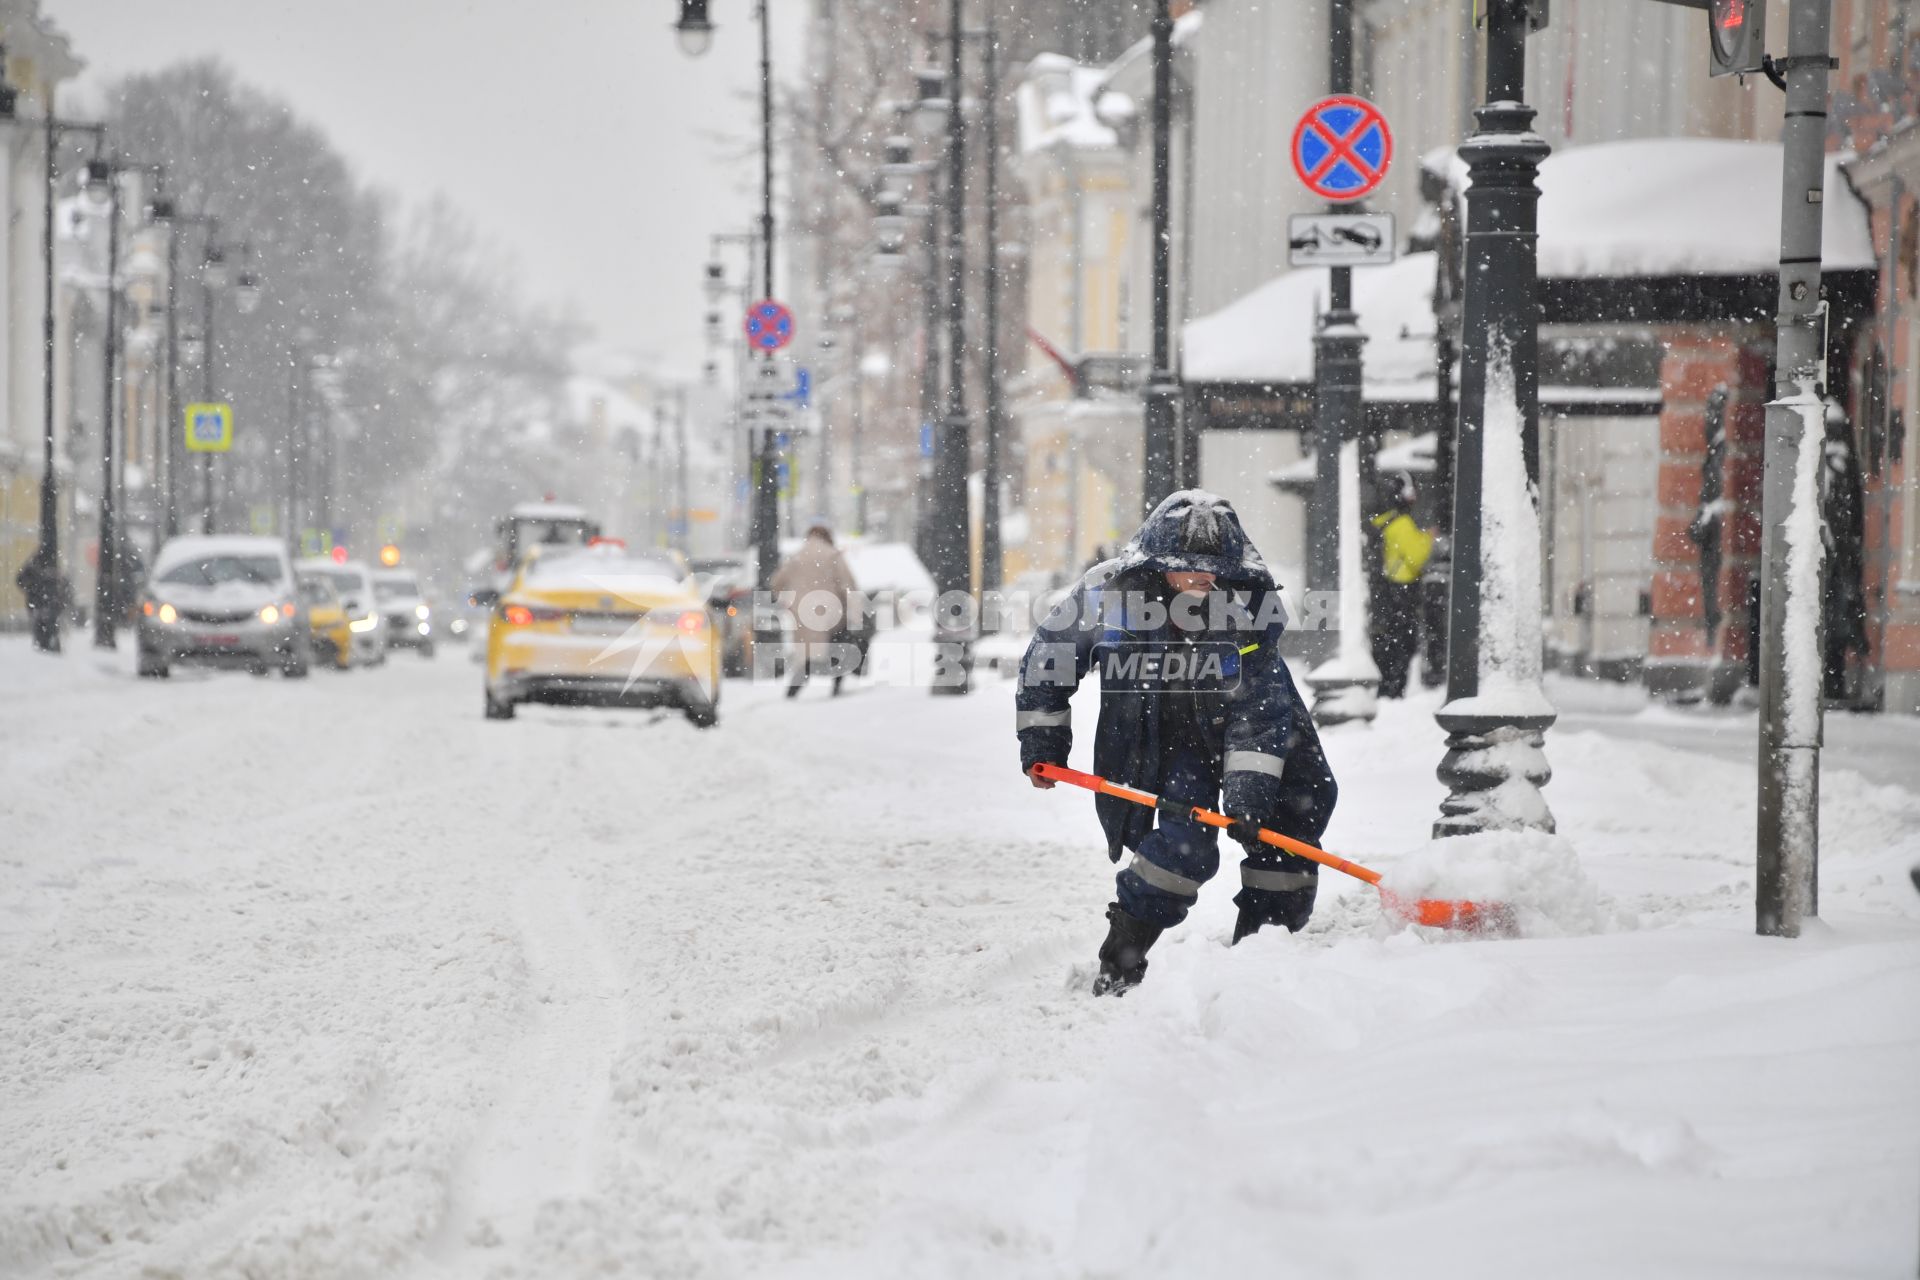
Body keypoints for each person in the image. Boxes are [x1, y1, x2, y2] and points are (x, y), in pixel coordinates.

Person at [1016, 491, 1339, 996]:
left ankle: (1260, 960)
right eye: (1189, 568)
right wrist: (1042, 741)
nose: (1203, 578)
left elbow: (1258, 711)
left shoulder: (1245, 605)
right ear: (1158, 563)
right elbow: (1048, 661)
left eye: (1214, 568)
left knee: (1287, 831)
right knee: (1181, 849)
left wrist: (1249, 794)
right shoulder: (1107, 595)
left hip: (1263, 739)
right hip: (1163, 743)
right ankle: (1120, 958)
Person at [770, 522, 862, 698]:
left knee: (808, 654)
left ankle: (793, 690)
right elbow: (848, 585)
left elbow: (776, 582)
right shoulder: (832, 555)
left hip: (803, 612)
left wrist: (786, 600)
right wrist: (855, 613)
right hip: (831, 610)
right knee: (838, 647)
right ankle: (836, 684)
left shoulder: (797, 556)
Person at [1369, 472, 1434, 699]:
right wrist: (1427, 537)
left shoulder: (1383, 522)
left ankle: (1387, 686)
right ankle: (1394, 690)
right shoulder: (1403, 524)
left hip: (1385, 591)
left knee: (1386, 642)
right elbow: (1416, 557)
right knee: (1402, 644)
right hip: (1402, 589)